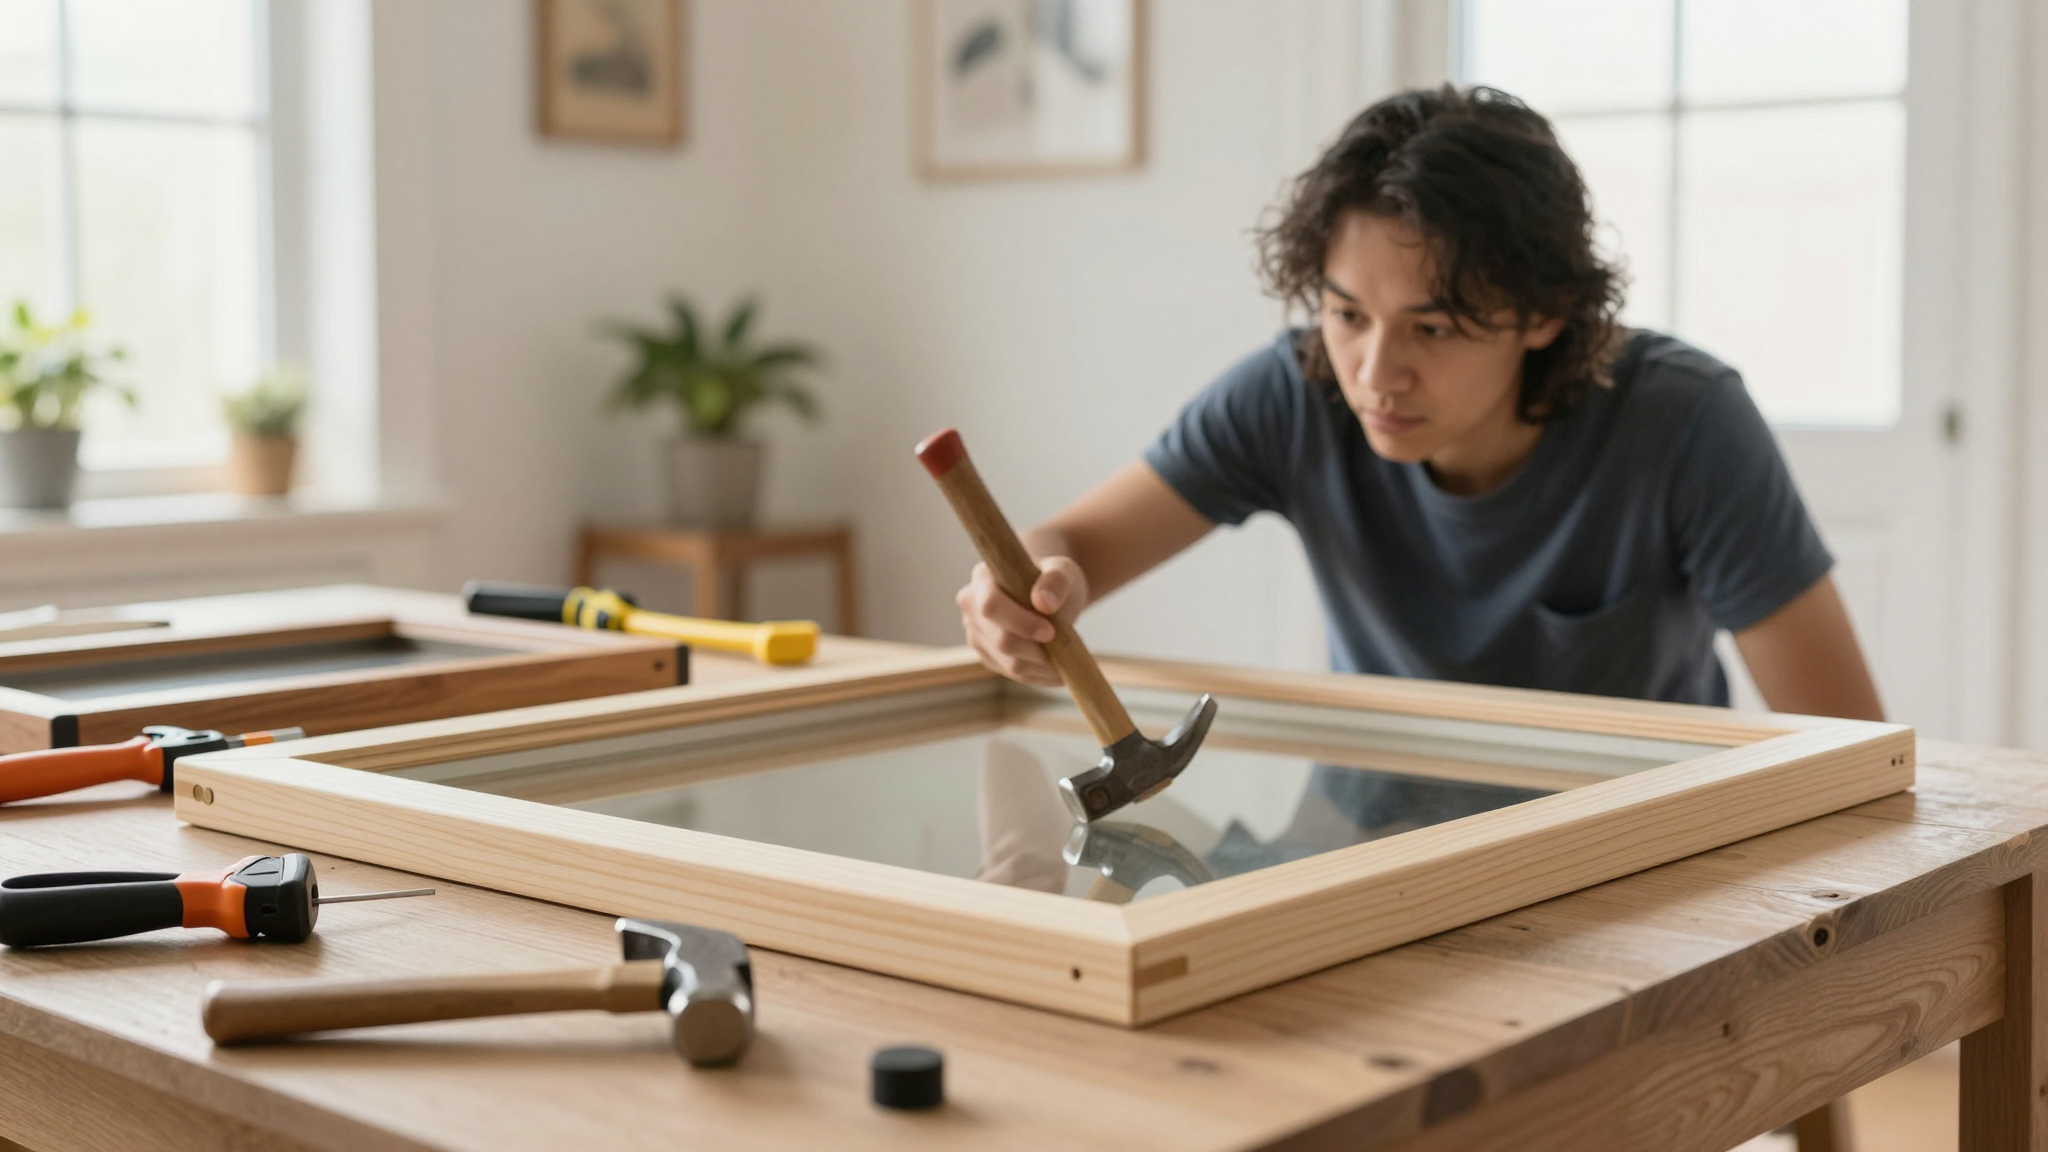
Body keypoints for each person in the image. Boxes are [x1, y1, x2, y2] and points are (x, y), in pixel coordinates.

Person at [953, 84, 1884, 724]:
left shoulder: (1683, 421)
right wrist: (1024, 593)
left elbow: (1848, 741)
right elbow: (1071, 546)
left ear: (1546, 312)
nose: (1375, 373)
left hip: (1634, 858)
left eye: (1432, 328)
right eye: (1347, 314)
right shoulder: (1298, 390)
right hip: (1374, 845)